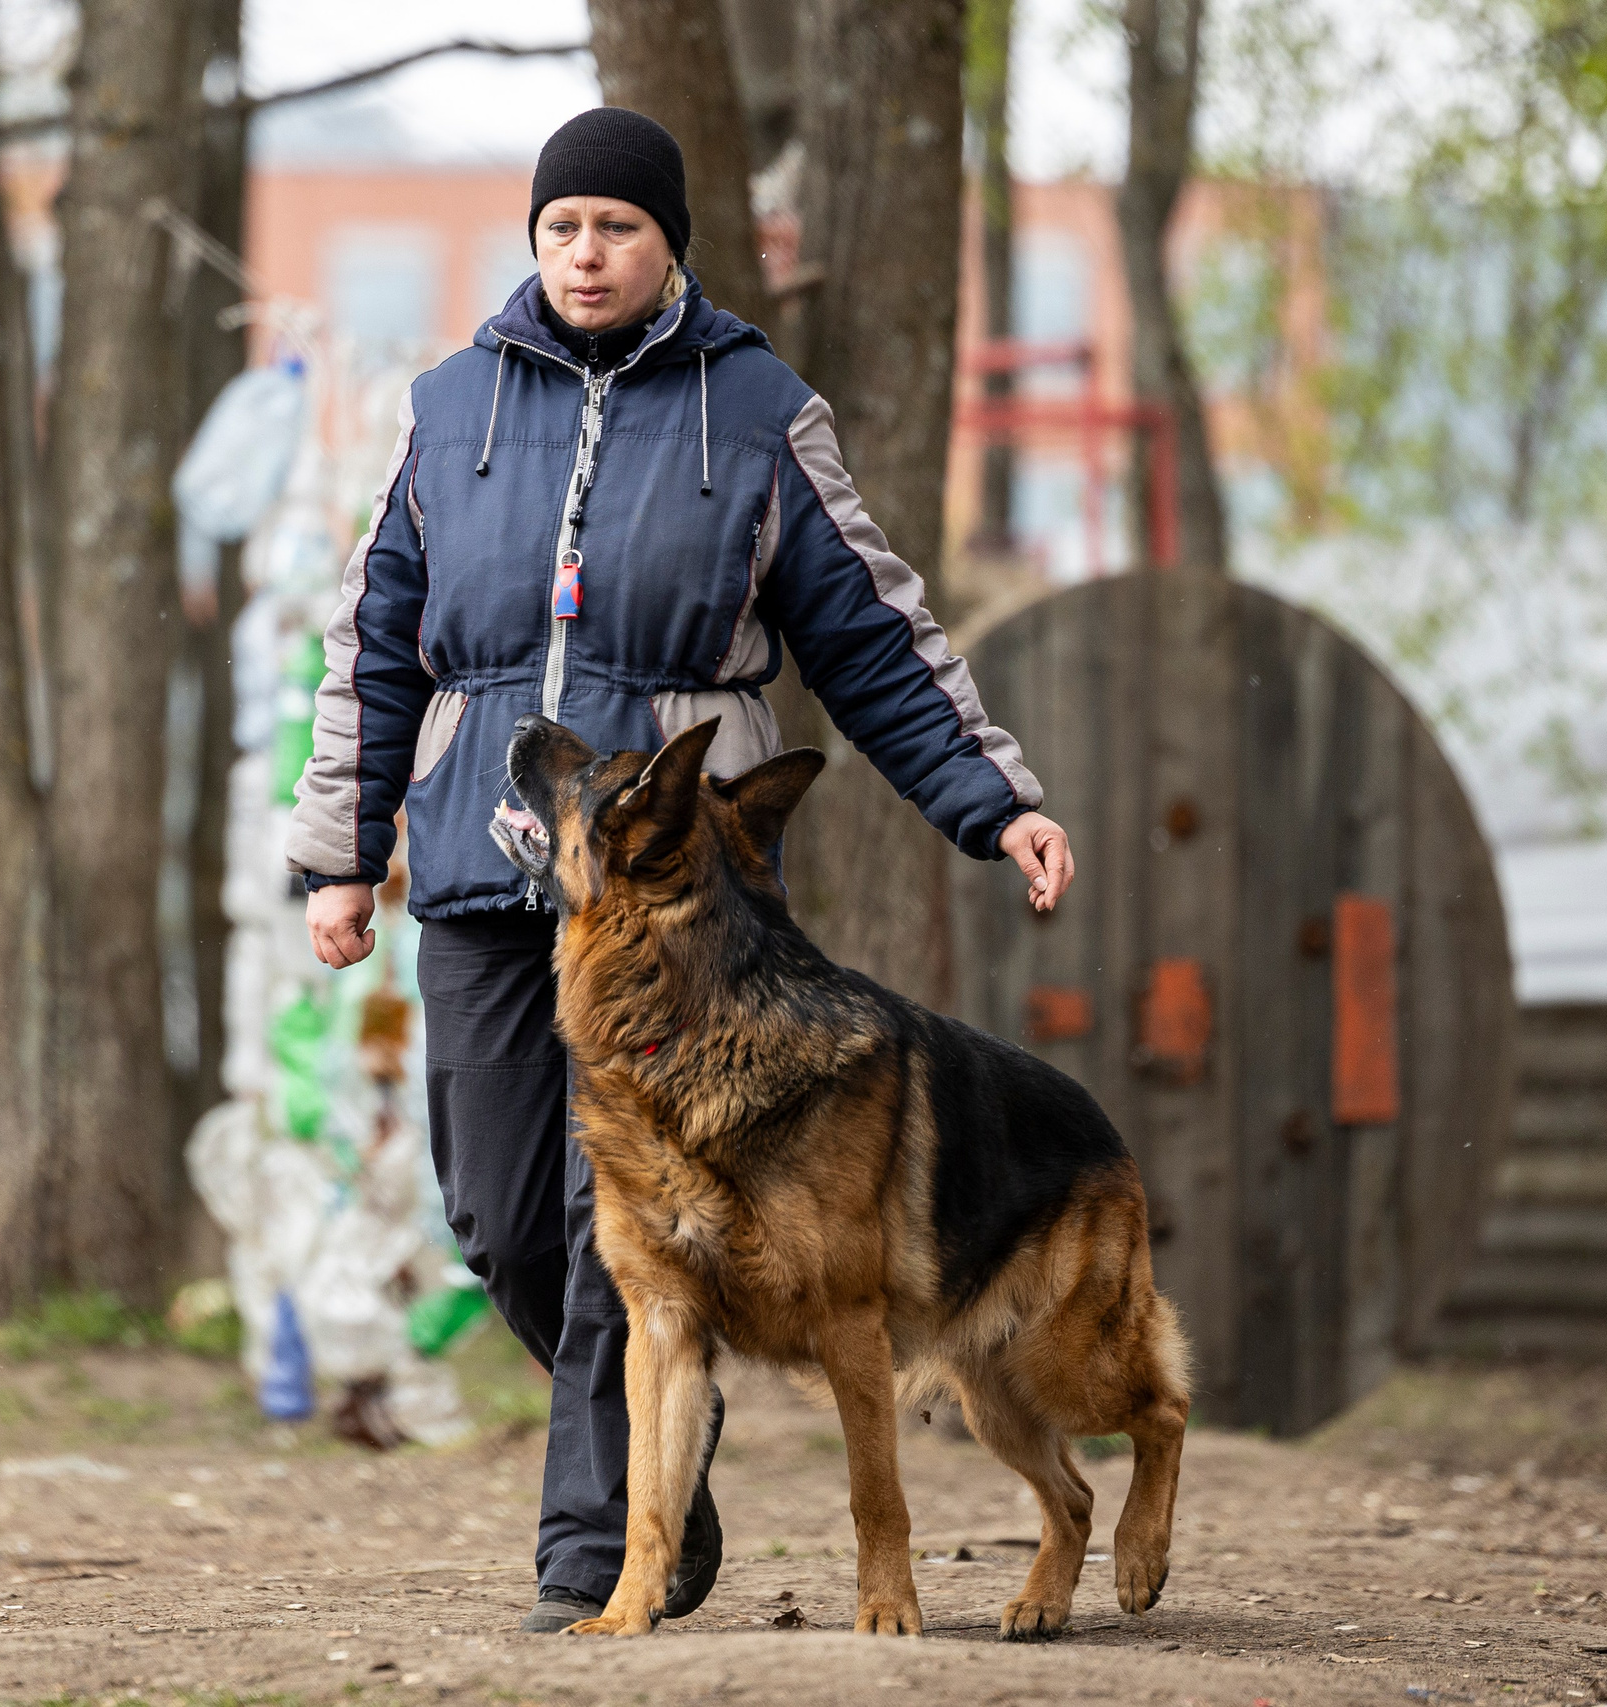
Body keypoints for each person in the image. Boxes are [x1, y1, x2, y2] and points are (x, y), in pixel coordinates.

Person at [285, 107, 1075, 1633]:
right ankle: (665, 1463)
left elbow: (877, 637)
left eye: (619, 228)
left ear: (670, 246)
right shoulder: (448, 410)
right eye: (564, 226)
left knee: (618, 1235)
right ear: (535, 241)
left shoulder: (757, 408)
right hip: (481, 865)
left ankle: (597, 1564)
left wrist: (994, 801)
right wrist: (341, 851)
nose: (589, 252)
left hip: (681, 909)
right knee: (505, 1218)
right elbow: (371, 645)